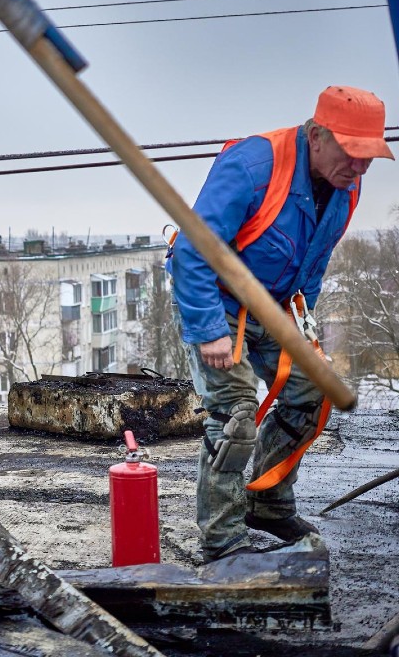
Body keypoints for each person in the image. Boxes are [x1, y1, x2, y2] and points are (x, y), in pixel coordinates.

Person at [169, 86, 394, 562]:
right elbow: (192, 251)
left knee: (312, 390)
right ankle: (222, 540)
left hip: (275, 305)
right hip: (219, 299)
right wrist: (210, 328)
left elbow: (312, 263)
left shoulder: (344, 186)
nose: (357, 169)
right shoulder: (253, 167)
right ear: (317, 135)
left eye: (368, 159)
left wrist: (304, 331)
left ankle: (267, 502)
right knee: (234, 414)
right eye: (351, 154)